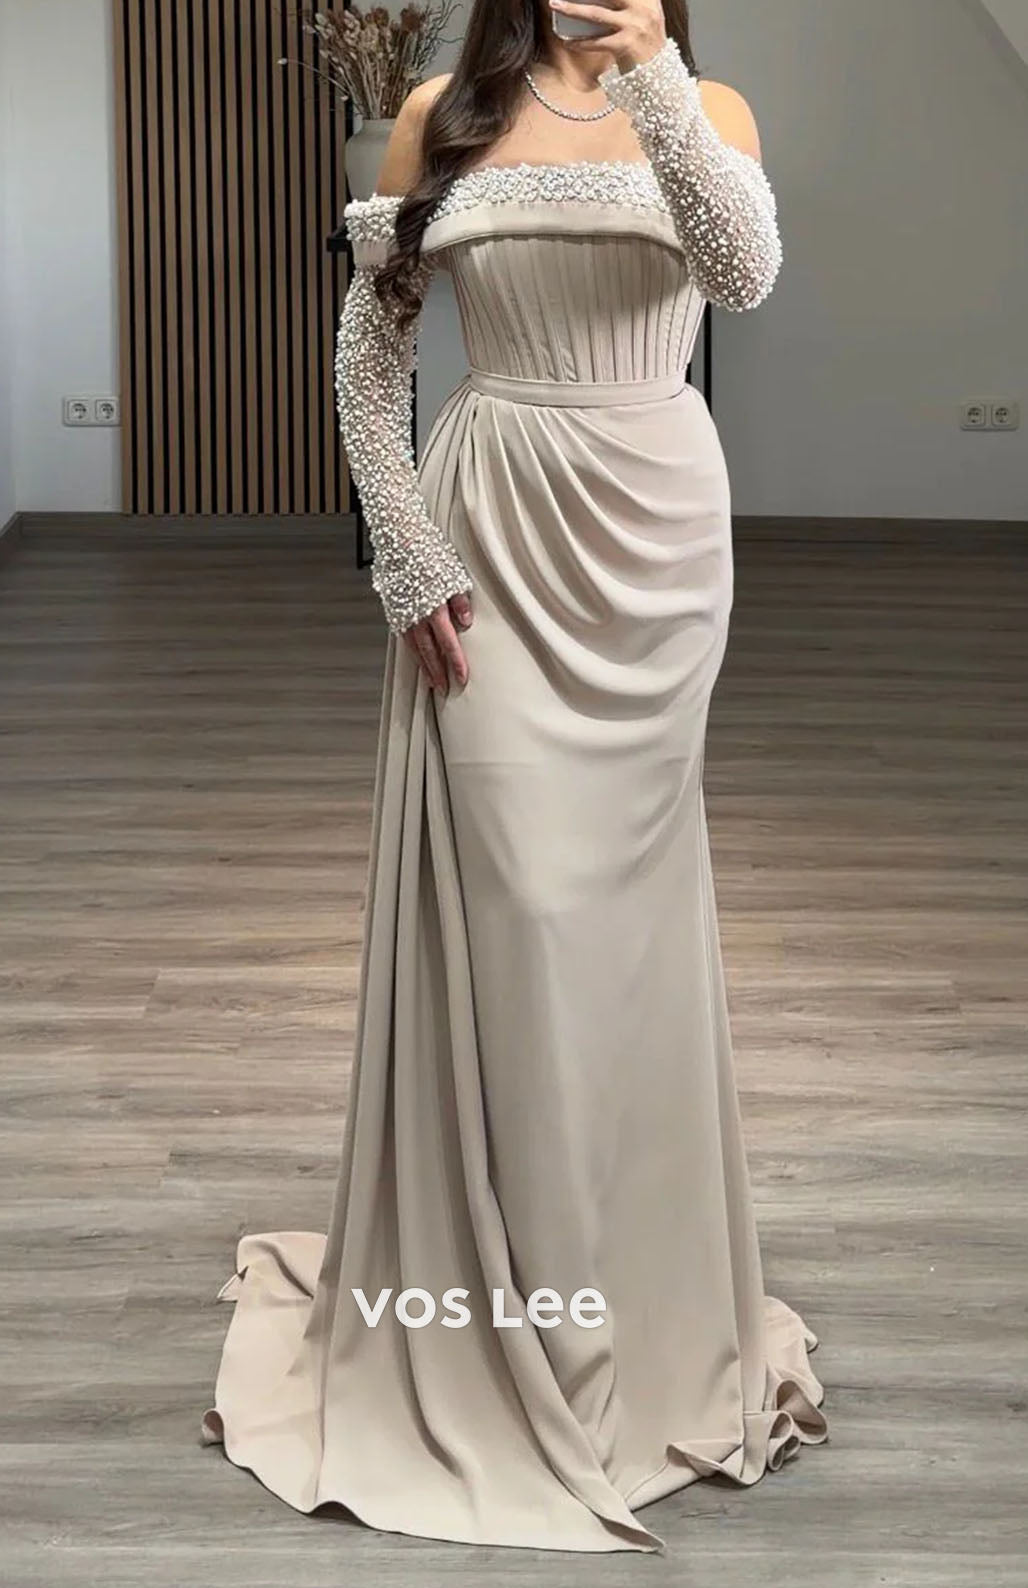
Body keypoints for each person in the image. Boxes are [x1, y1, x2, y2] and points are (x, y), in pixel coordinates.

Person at [202, 0, 828, 1555]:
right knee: (523, 911)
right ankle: (513, 1301)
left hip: (655, 543)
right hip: (489, 532)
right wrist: (402, 553)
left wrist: (652, 74)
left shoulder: (711, 110)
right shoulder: (441, 116)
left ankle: (629, 1286)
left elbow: (744, 275)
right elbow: (370, 350)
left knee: (624, 932)